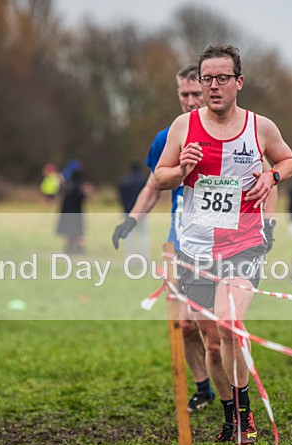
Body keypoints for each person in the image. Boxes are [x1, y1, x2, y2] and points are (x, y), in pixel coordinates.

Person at [155, 45, 292, 444]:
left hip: (244, 244)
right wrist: (181, 169)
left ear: (239, 82)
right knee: (213, 344)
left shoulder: (259, 127)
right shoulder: (183, 127)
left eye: (222, 78)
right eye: (207, 79)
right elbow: (160, 177)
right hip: (195, 249)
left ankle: (246, 414)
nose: (213, 86)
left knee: (228, 321)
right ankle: (231, 414)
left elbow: (287, 161)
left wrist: (271, 177)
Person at [111, 64, 216, 414]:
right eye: (184, 94)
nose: (190, 101)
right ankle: (203, 389)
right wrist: (131, 220)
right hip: (179, 241)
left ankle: (233, 393)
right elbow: (153, 186)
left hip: (221, 242)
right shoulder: (167, 137)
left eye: (196, 94)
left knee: (214, 326)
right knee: (185, 323)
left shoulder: (230, 133)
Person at [56, 159, 93, 254]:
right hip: (76, 211)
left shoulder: (67, 184)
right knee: (78, 232)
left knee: (69, 232)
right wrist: (86, 193)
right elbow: (79, 197)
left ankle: (69, 248)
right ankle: (78, 248)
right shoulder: (76, 185)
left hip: (67, 211)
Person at [116, 162, 149, 257]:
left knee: (129, 235)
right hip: (142, 212)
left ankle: (130, 255)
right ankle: (144, 255)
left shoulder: (124, 181)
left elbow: (120, 197)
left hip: (128, 212)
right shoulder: (144, 181)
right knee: (143, 234)